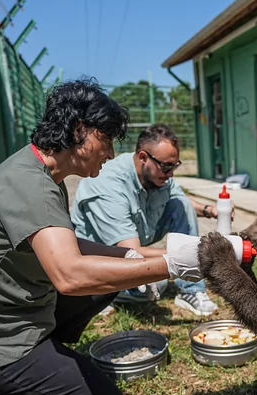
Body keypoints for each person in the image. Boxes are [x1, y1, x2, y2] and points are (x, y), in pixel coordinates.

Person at [0, 78, 203, 395]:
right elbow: (70, 276)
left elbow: (67, 243)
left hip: (11, 314)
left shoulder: (42, 172)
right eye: (106, 140)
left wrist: (131, 255)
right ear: (79, 130)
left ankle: (41, 357)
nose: (110, 153)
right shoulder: (31, 185)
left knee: (110, 278)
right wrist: (171, 266)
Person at [71, 123, 229, 316]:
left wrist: (209, 210)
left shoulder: (157, 175)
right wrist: (189, 254)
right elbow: (131, 251)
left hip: (134, 241)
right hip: (102, 257)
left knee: (181, 204)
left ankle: (191, 291)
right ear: (143, 157)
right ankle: (99, 292)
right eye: (166, 167)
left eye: (174, 166)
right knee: (157, 282)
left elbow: (181, 198)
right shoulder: (108, 186)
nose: (171, 174)